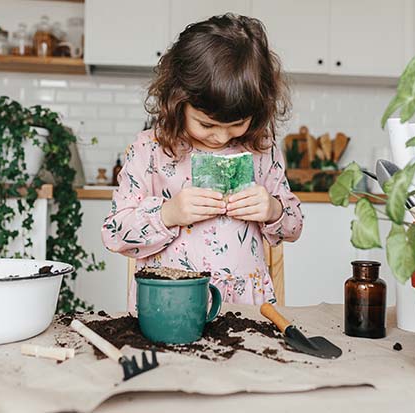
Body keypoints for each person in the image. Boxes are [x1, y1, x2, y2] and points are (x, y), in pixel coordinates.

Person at [101, 13, 303, 311]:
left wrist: (273, 210)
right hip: (170, 305)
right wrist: (168, 213)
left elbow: (294, 227)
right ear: (177, 101)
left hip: (246, 307)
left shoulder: (262, 149)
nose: (221, 137)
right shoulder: (150, 150)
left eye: (237, 124)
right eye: (206, 124)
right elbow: (114, 234)